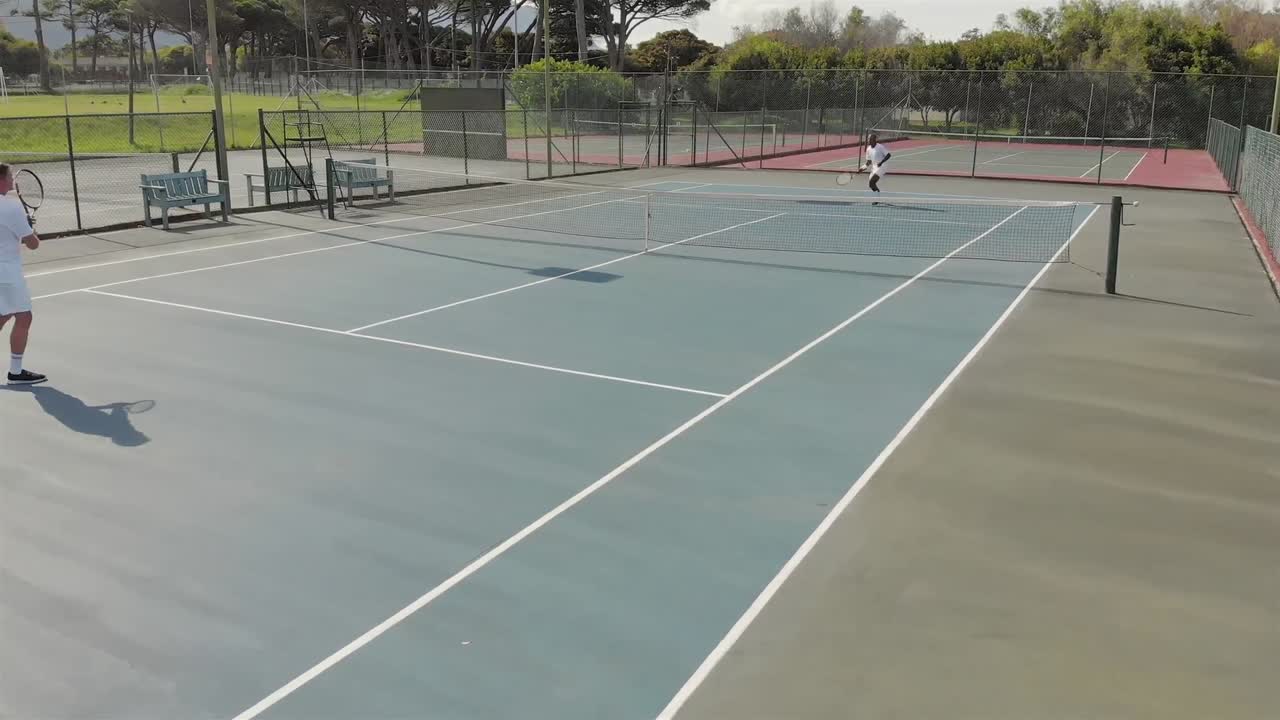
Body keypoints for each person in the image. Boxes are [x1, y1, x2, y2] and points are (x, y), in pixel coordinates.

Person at [0, 163, 46, 386]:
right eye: (9, 176)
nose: (12, 181)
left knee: (3, 315)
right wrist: (30, 228)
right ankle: (16, 373)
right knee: (24, 316)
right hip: (6, 273)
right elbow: (33, 244)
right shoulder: (10, 207)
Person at [860, 133, 892, 201]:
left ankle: (877, 198)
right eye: (868, 139)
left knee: (872, 181)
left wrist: (881, 162)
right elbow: (868, 162)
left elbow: (888, 155)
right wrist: (862, 168)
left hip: (882, 166)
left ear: (874, 140)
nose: (869, 140)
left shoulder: (880, 147)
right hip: (874, 167)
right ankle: (877, 197)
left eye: (870, 139)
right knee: (871, 184)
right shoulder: (868, 149)